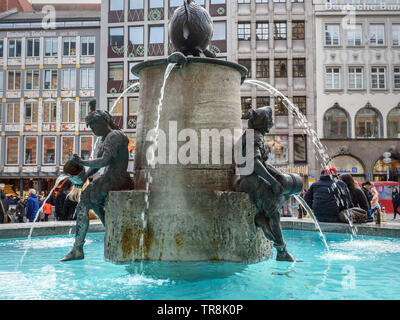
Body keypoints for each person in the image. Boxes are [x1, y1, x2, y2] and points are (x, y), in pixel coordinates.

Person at [60, 100, 134, 261]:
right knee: (92, 202)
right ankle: (112, 233)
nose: (93, 130)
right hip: (110, 177)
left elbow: (104, 161)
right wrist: (83, 175)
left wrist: (82, 162)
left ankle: (78, 248)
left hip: (117, 178)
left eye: (94, 126)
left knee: (84, 202)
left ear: (104, 122)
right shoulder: (105, 138)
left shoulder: (115, 136)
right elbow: (97, 165)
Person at [236, 107, 300, 262]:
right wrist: (273, 182)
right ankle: (282, 252)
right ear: (263, 122)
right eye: (270, 120)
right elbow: (255, 163)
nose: (271, 123)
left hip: (247, 180)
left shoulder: (250, 136)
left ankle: (260, 218)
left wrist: (277, 176)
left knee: (280, 198)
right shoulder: (254, 137)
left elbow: (260, 163)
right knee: (275, 213)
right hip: (251, 181)